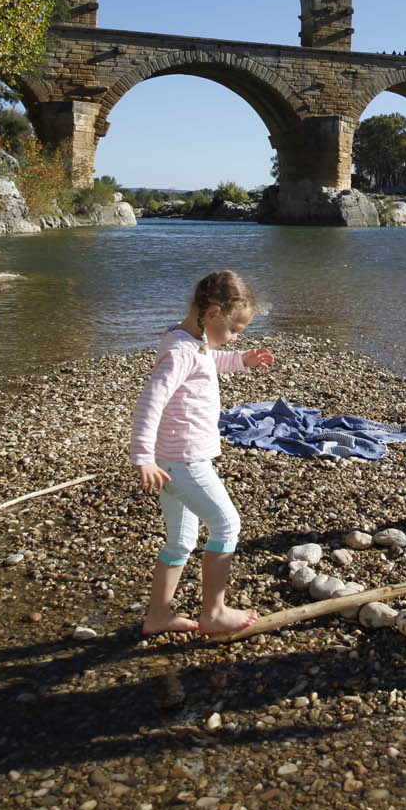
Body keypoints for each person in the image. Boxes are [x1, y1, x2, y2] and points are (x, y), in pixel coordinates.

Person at [130, 269, 274, 637]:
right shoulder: (181, 353)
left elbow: (208, 359)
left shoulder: (189, 341)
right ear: (211, 313)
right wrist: (142, 457)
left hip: (171, 460)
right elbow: (150, 402)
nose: (235, 337)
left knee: (181, 540)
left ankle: (158, 616)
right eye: (234, 329)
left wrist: (241, 359)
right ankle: (214, 612)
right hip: (184, 461)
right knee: (227, 525)